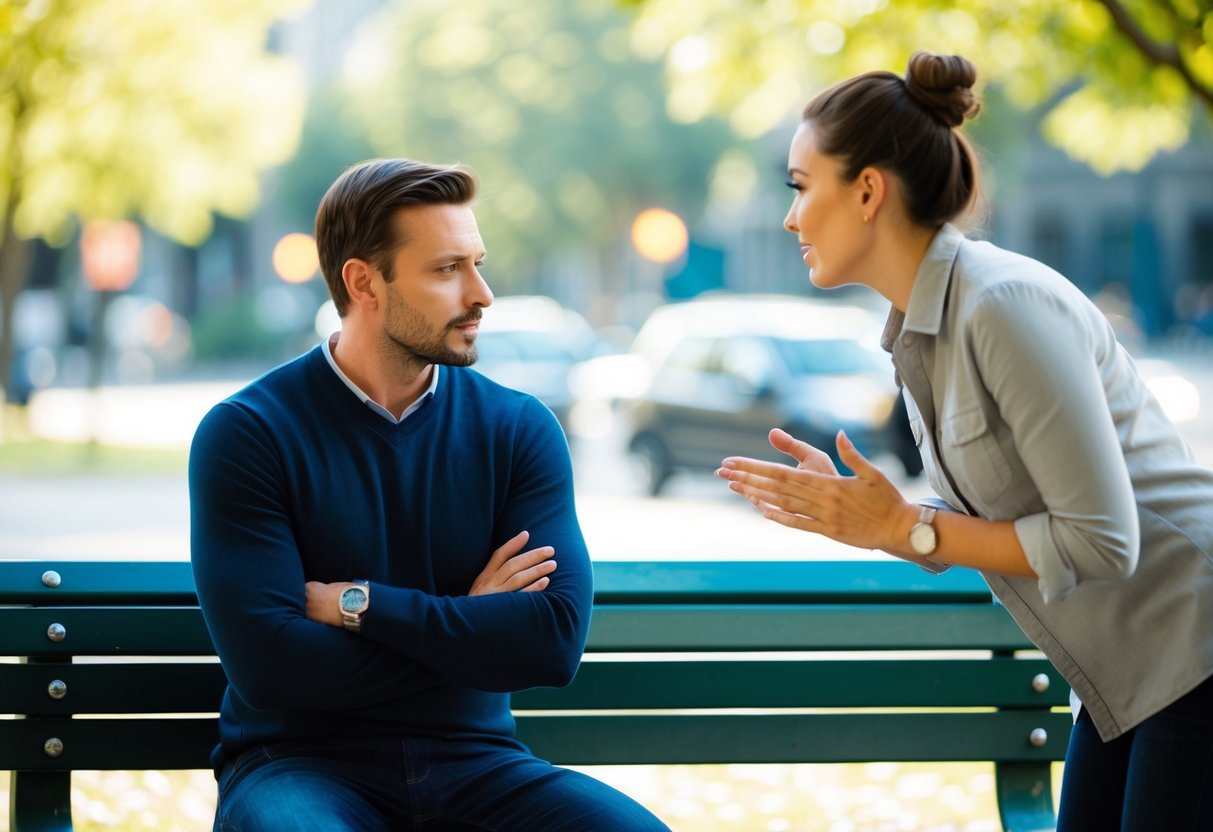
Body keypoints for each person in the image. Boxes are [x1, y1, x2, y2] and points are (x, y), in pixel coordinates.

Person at [714, 51, 1213, 830]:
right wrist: (886, 519)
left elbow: (1101, 540)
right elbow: (1000, 514)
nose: (789, 216)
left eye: (800, 187)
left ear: (868, 190)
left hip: (1195, 646)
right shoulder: (922, 329)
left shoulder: (1000, 306)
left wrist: (903, 530)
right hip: (1127, 672)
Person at [189, 158, 670, 832]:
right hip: (298, 767)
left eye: (477, 263)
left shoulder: (517, 428)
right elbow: (275, 670)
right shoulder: (249, 434)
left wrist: (361, 605)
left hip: (478, 763)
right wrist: (469, 622)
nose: (482, 294)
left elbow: (552, 644)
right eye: (446, 270)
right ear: (364, 283)